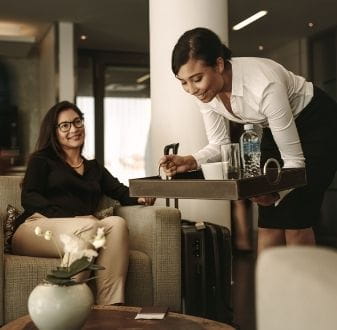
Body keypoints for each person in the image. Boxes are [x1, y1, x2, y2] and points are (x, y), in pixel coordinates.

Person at [159, 27, 337, 253]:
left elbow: (294, 164)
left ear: (219, 65)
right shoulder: (205, 93)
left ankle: (301, 288)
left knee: (295, 217)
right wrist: (191, 161)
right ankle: (268, 288)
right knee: (268, 221)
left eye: (196, 79)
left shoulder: (264, 85)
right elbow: (219, 144)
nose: (192, 89)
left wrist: (274, 192)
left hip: (318, 123)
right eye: (183, 82)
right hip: (276, 127)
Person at [11, 100, 155, 305]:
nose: (74, 129)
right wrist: (73, 218)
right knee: (90, 226)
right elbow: (30, 198)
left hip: (83, 229)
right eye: (65, 125)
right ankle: (58, 304)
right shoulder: (41, 160)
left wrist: (141, 196)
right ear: (54, 132)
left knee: (117, 224)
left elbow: (119, 190)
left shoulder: (93, 168)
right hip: (35, 227)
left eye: (77, 122)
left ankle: (110, 307)